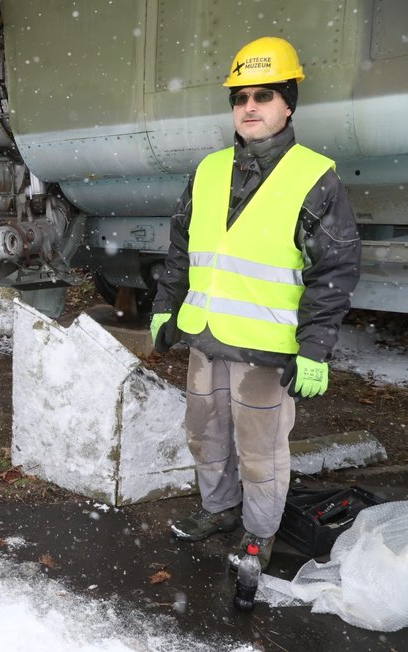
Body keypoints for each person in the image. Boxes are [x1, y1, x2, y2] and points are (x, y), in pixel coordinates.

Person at [150, 36, 360, 571]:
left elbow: (333, 271)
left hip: (265, 352)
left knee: (262, 453)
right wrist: (164, 306)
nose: (249, 107)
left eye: (263, 96)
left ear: (287, 104)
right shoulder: (210, 170)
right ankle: (220, 509)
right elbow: (182, 249)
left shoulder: (315, 177)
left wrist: (314, 349)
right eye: (240, 97)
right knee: (205, 436)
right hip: (205, 338)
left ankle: (258, 533)